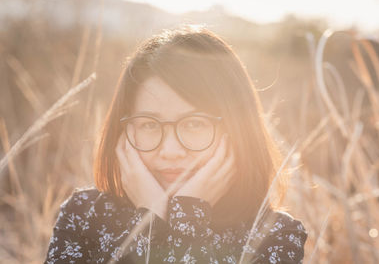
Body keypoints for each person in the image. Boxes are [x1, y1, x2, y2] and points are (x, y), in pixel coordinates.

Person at [44, 25, 307, 264]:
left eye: (194, 124)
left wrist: (186, 219)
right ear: (123, 132)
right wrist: (150, 221)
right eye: (148, 124)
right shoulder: (85, 214)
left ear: (236, 130)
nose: (170, 151)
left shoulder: (276, 236)